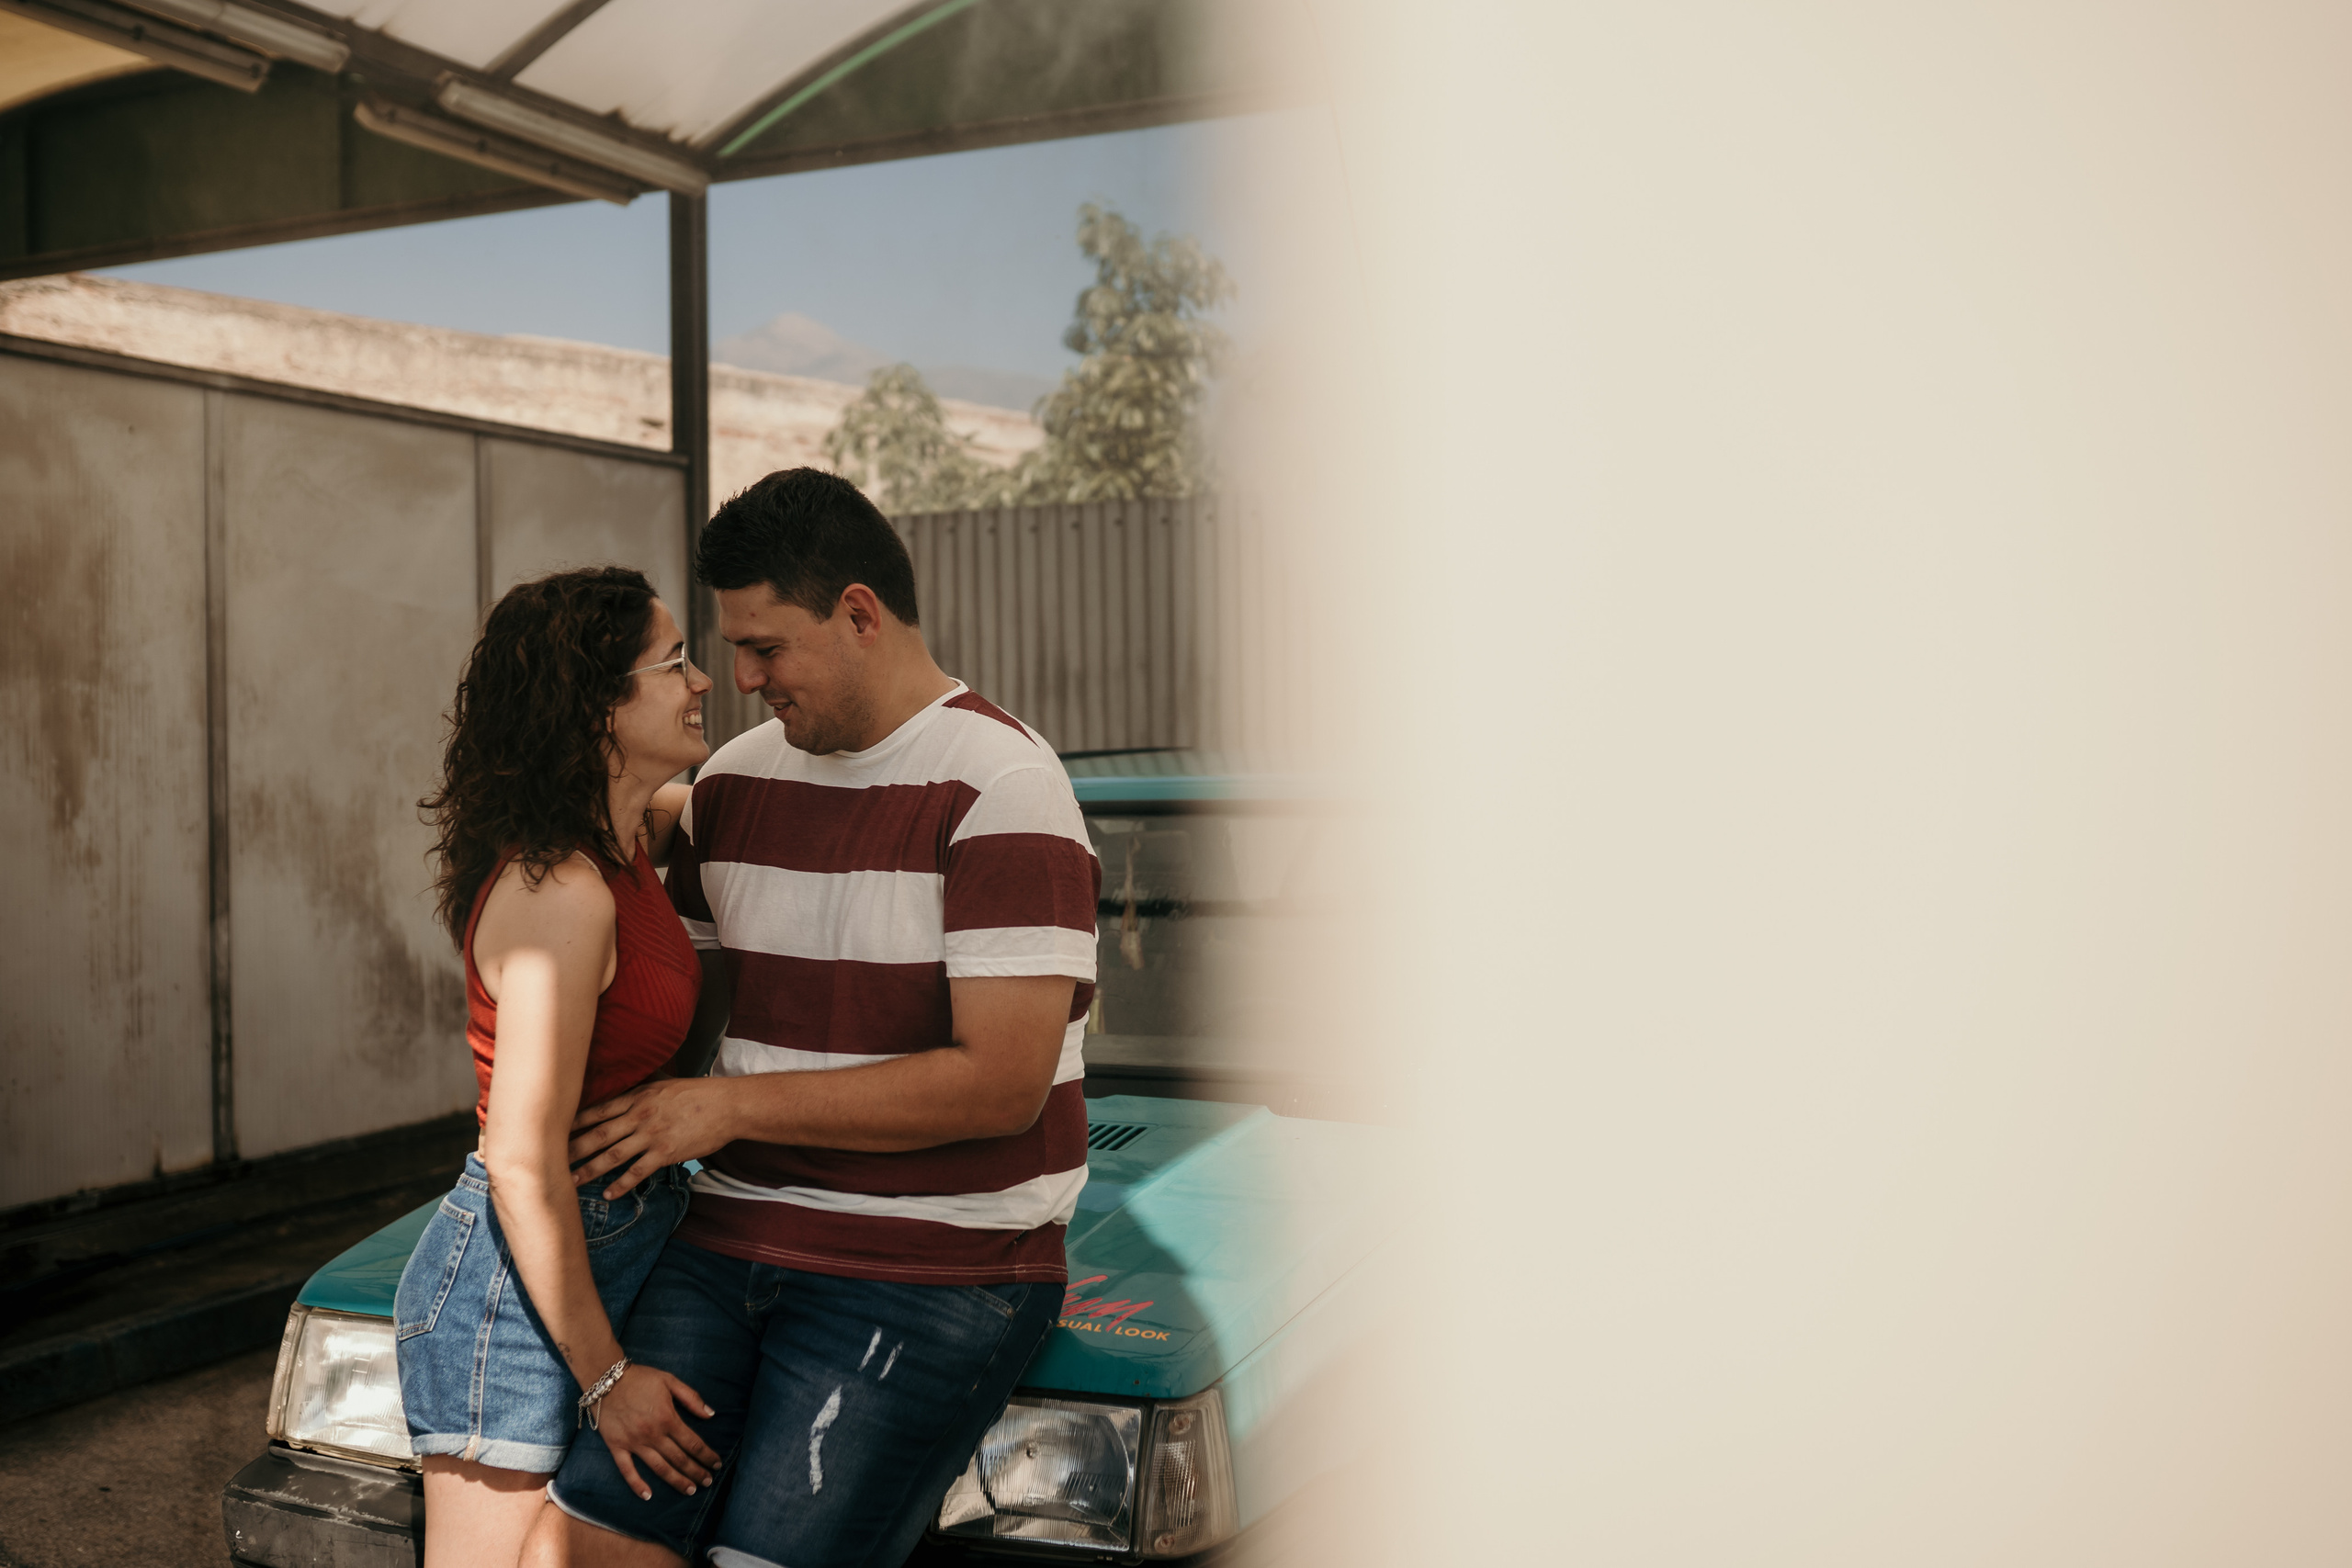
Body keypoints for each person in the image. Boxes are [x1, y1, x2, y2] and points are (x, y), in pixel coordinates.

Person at [521, 469, 1102, 1568]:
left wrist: (727, 1107)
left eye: (765, 648)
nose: (738, 680)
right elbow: (667, 1023)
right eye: (728, 651)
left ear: (858, 613)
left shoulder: (1003, 789)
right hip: (725, 1237)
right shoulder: (730, 787)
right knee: (590, 1549)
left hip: (936, 1265)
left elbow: (999, 1084)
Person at [400, 567, 728, 1568]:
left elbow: (746, 786)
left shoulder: (630, 838)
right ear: (597, 706)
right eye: (672, 664)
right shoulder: (562, 892)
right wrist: (604, 1378)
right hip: (516, 1275)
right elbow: (523, 1161)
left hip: (613, 1245)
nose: (703, 680)